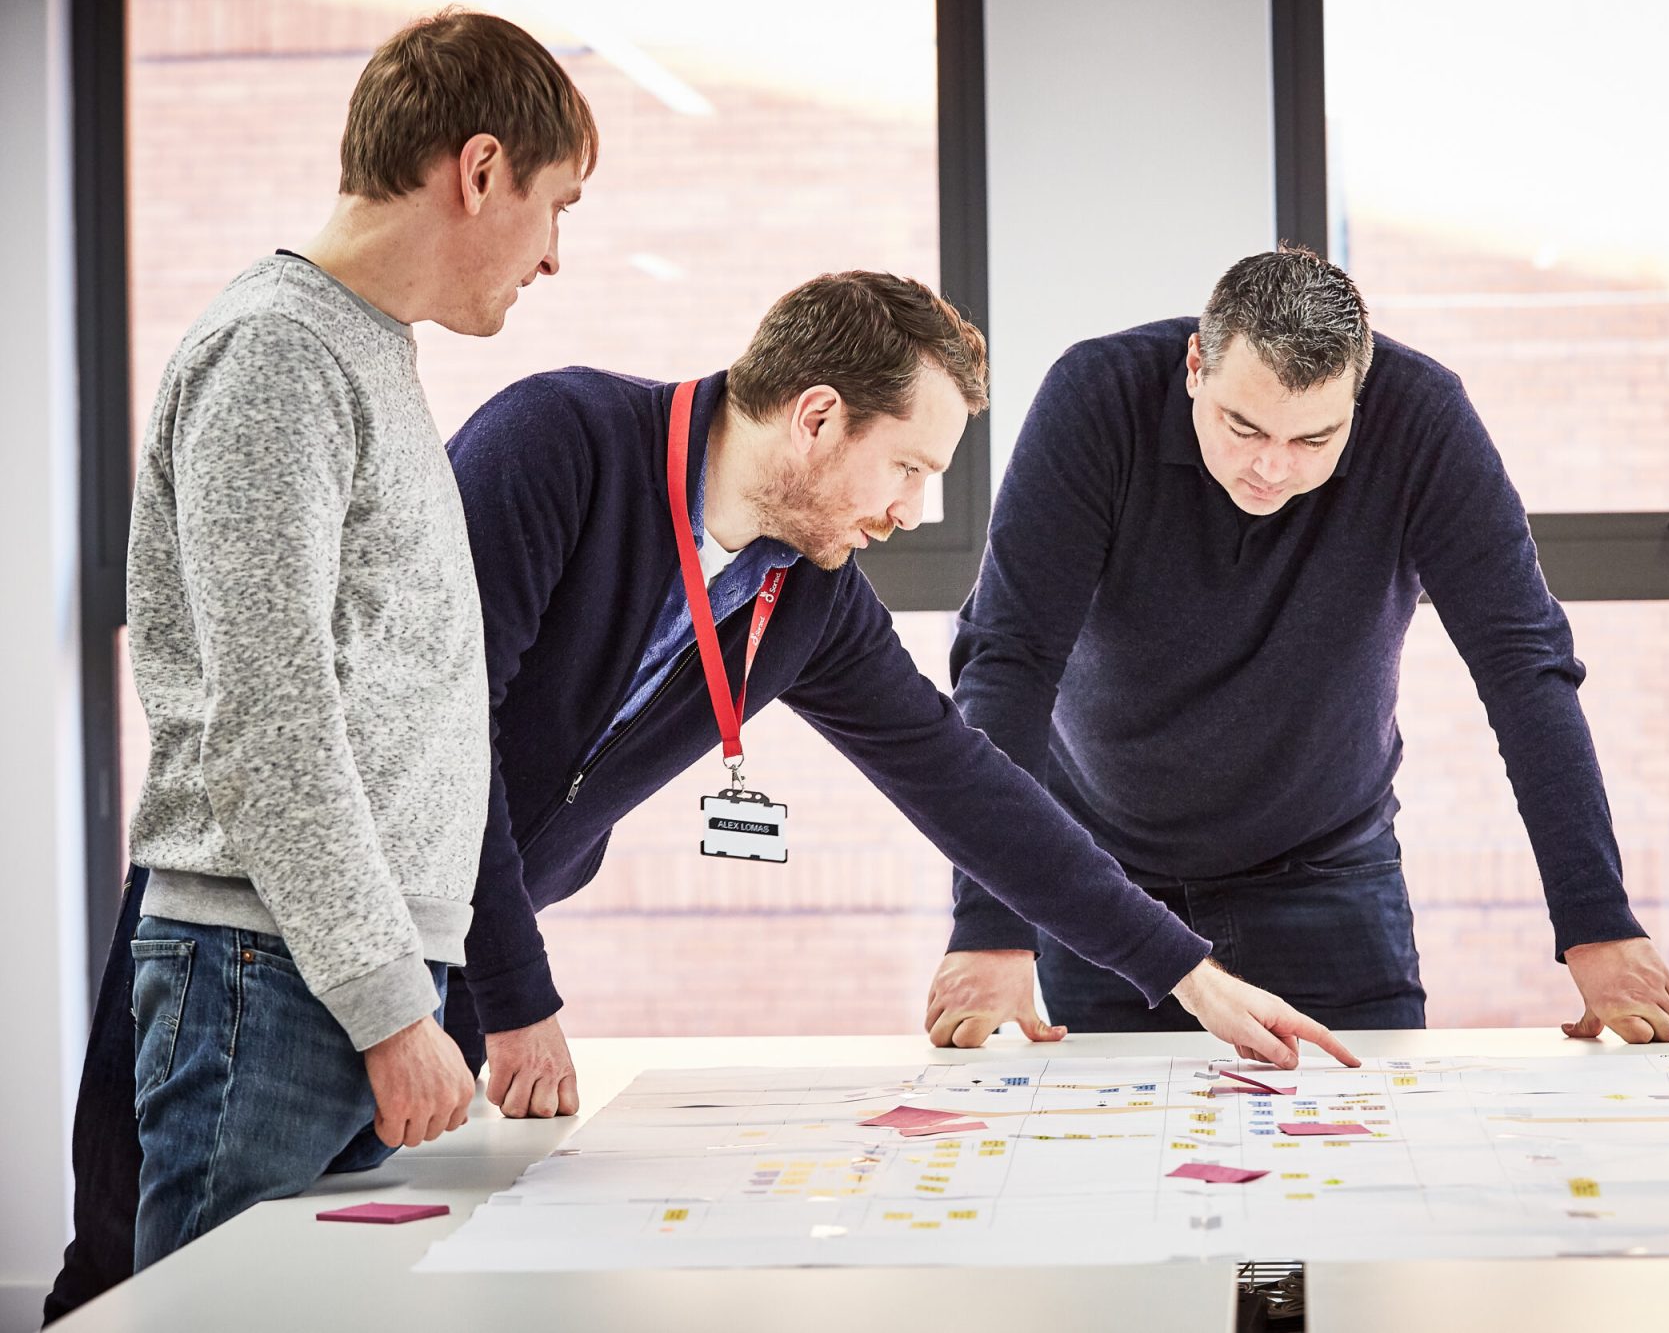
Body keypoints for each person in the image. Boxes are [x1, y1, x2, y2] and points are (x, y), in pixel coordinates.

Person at [442, 269, 1360, 1123]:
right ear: (817, 418)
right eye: (908, 469)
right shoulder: (559, 445)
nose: (914, 512)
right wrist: (520, 996)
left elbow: (965, 786)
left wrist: (1193, 978)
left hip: (476, 934)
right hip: (351, 911)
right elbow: (444, 740)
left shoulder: (805, 594)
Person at [45, 9, 596, 1321]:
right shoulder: (279, 355)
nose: (557, 256)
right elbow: (273, 726)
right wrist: (390, 1013)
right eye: (556, 205)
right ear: (478, 172)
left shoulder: (366, 349)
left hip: (331, 979)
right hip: (274, 981)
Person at [925, 247, 1669, 1049]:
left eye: (1313, 439)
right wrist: (992, 920)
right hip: (1109, 885)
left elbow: (1524, 667)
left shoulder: (1423, 422)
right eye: (1242, 426)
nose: (1270, 469)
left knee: (1370, 1151)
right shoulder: (1096, 399)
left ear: (1358, 399)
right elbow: (1009, 661)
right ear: (1194, 366)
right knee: (1123, 1164)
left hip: (1330, 873)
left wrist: (1596, 920)